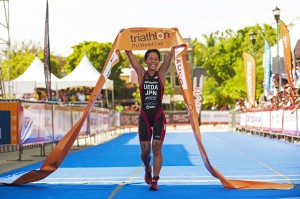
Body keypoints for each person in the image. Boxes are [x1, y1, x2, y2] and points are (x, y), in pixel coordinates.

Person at [125, 47, 175, 191]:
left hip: (158, 116)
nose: (153, 61)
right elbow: (132, 58)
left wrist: (172, 48)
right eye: (150, 58)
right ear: (146, 61)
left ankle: (155, 179)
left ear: (159, 61)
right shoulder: (142, 74)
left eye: (156, 59)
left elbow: (168, 59)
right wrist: (127, 49)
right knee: (145, 152)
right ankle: (147, 168)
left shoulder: (162, 74)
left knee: (157, 148)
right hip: (145, 117)